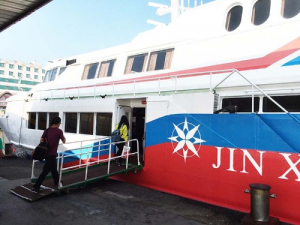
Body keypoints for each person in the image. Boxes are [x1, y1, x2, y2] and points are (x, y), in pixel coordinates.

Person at [32, 116, 66, 192]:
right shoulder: (59, 131)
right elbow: (64, 141)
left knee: (53, 168)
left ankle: (57, 181)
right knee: (45, 171)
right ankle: (36, 186)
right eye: (60, 123)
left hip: (46, 153)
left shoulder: (47, 130)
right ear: (58, 123)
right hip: (52, 154)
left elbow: (41, 140)